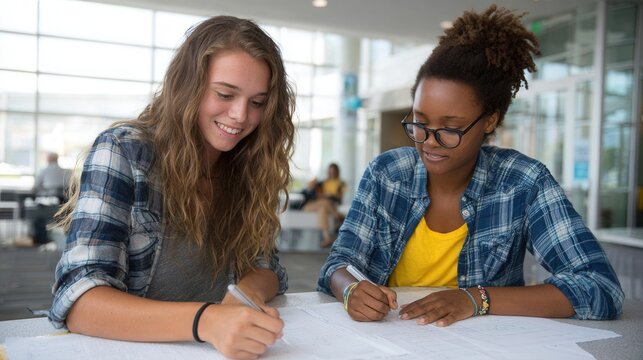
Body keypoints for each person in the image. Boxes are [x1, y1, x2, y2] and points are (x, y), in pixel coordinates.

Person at [318, 5, 623, 326]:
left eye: (450, 128)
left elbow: (600, 287)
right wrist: (350, 288)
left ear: (490, 120)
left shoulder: (523, 182)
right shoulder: (386, 174)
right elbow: (339, 264)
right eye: (420, 122)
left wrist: (476, 298)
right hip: (392, 342)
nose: (429, 141)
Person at [50, 16, 295, 360]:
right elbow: (79, 300)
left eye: (257, 102)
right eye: (225, 94)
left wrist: (246, 292)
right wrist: (208, 321)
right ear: (188, 86)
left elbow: (269, 269)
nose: (241, 116)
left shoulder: (250, 163)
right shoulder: (124, 151)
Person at [300, 163, 346, 247]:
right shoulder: (322, 183)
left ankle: (327, 238)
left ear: (337, 172)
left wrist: (328, 196)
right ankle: (337, 215)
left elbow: (339, 198)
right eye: (330, 171)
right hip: (310, 206)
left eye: (333, 171)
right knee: (325, 202)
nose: (331, 173)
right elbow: (316, 195)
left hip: (326, 206)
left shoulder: (341, 183)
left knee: (323, 209)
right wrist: (326, 195)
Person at [31, 152, 70, 245]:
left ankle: (42, 240)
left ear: (48, 160)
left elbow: (36, 187)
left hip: (48, 204)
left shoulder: (43, 171)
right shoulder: (67, 172)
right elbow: (72, 187)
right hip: (64, 206)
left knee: (37, 218)